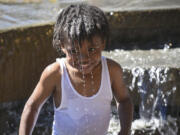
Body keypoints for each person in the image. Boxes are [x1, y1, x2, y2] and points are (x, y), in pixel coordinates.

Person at [19, 4, 133, 135]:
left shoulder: (112, 70)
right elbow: (32, 106)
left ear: (103, 43)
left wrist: (125, 130)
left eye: (91, 50)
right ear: (62, 46)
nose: (84, 58)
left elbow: (124, 100)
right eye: (73, 51)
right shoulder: (56, 73)